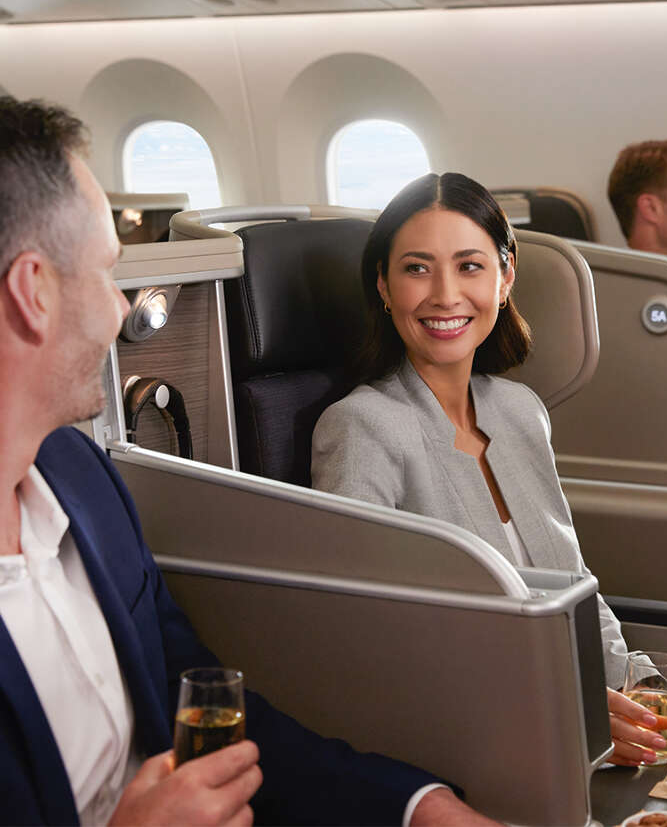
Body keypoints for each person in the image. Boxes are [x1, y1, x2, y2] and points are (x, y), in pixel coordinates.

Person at [0, 98, 498, 826]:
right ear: (33, 293)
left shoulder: (83, 482)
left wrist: (418, 807)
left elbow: (207, 714)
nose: (120, 310)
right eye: (108, 275)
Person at [312, 171, 667, 768]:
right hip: (486, 748)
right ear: (383, 285)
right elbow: (368, 644)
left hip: (598, 730)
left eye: (470, 266)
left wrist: (644, 687)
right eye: (417, 268)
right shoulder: (363, 428)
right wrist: (571, 715)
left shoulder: (520, 411)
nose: (445, 294)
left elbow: (576, 587)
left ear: (506, 277)